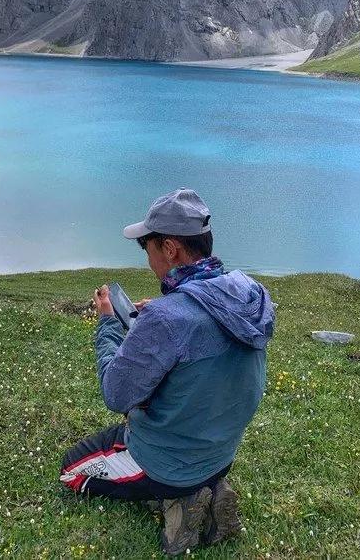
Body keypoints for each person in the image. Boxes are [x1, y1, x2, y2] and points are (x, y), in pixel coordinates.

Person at [60, 188, 275, 555]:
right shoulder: (247, 293)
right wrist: (166, 309)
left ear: (170, 248)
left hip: (170, 462)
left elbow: (116, 394)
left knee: (71, 469)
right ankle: (211, 488)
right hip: (221, 452)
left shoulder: (166, 319)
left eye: (148, 250)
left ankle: (180, 501)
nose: (149, 261)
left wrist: (109, 323)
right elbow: (202, 327)